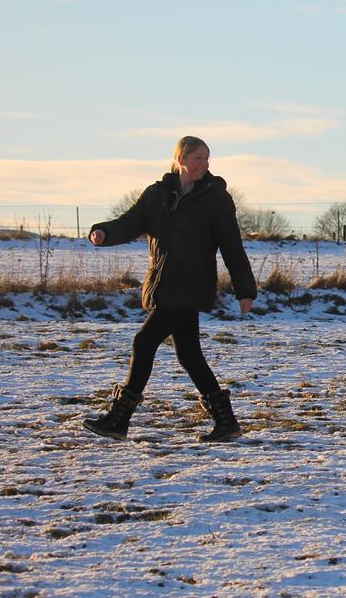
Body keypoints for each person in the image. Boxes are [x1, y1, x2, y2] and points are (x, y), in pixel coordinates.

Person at [82, 136, 257, 442]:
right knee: (189, 355)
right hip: (164, 283)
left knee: (144, 342)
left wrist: (245, 289)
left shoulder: (216, 198)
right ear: (181, 159)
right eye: (198, 158)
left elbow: (232, 246)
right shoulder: (157, 194)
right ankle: (226, 423)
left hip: (191, 284)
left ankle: (118, 419)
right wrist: (104, 232)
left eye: (207, 158)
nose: (204, 164)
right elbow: (130, 222)